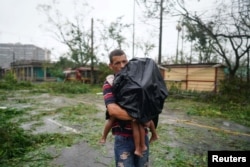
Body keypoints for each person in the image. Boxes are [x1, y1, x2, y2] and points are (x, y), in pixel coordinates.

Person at [102, 49, 150, 166]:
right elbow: (113, 110)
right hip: (123, 139)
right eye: (117, 63)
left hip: (143, 136)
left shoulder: (138, 80)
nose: (122, 66)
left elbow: (149, 101)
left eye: (124, 61)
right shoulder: (110, 83)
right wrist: (140, 117)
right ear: (110, 66)